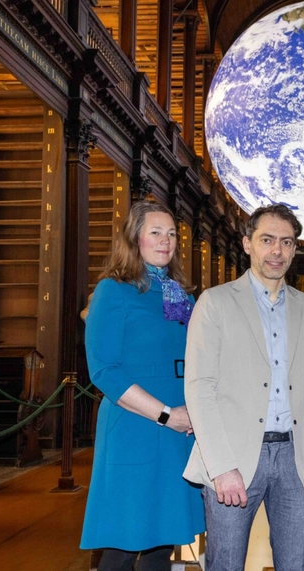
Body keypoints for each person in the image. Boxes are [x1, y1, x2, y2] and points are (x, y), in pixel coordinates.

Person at [184, 204, 304, 571]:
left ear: (295, 249)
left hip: (296, 458)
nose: (277, 251)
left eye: (287, 242)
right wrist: (221, 466)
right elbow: (200, 388)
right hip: (232, 457)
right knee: (226, 565)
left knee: (297, 564)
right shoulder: (215, 302)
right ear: (247, 243)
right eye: (267, 240)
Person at [80, 197, 204, 571]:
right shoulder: (113, 290)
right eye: (155, 233)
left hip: (178, 433)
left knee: (160, 544)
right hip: (137, 425)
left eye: (171, 234)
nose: (166, 241)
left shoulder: (181, 295)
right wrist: (167, 415)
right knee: (122, 544)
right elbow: (103, 370)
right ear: (135, 239)